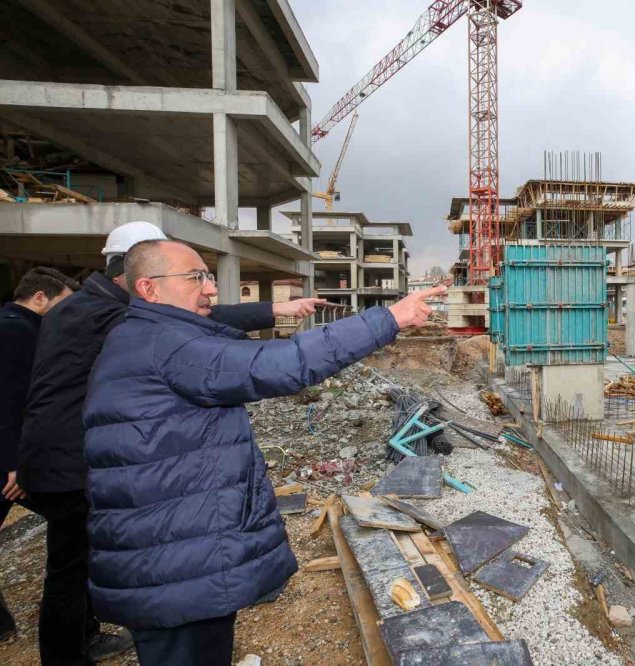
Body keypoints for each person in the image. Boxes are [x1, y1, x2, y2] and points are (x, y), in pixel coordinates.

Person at [82, 239, 444, 665]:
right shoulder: (168, 346)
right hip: (176, 557)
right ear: (149, 288)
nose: (211, 289)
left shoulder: (147, 335)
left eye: (209, 276)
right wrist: (389, 317)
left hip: (170, 546)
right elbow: (281, 364)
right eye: (196, 277)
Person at [16, 222, 325, 666]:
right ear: (138, 276)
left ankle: (85, 637)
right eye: (194, 278)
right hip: (73, 459)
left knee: (91, 561)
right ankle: (68, 653)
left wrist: (276, 311)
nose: (205, 291)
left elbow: (198, 322)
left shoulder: (91, 307)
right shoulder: (112, 316)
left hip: (80, 451)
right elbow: (200, 333)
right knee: (76, 568)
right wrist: (276, 313)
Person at [0, 267, 80, 640]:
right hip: (14, 463)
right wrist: (14, 465)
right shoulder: (18, 332)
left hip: (16, 457)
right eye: (63, 305)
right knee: (76, 532)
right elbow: (12, 401)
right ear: (39, 299)